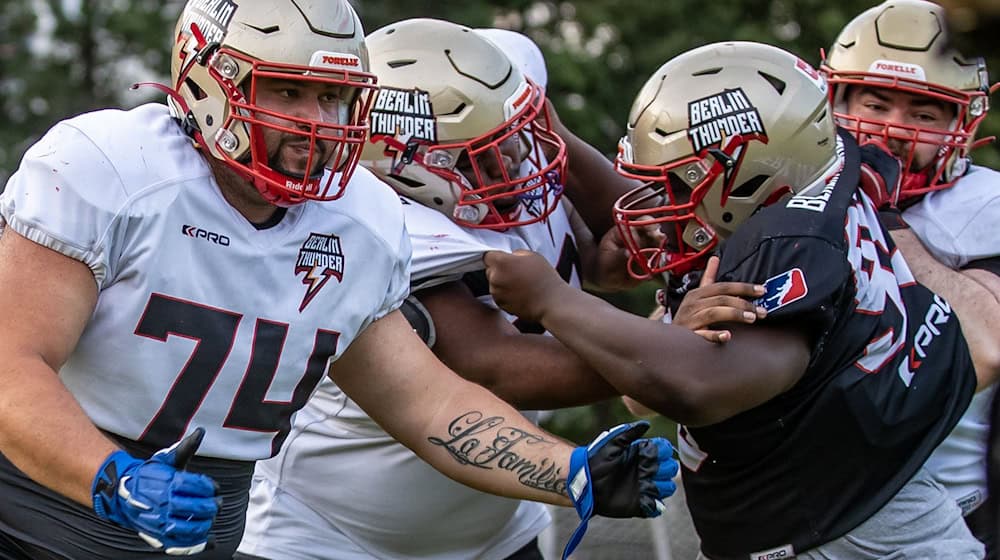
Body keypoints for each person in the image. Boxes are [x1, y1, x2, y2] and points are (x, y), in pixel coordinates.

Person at [0, 2, 681, 559]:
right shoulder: (113, 169)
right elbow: (9, 367)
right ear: (211, 81)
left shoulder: (361, 218)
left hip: (202, 525)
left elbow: (429, 405)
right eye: (288, 91)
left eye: (333, 97)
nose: (316, 124)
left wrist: (569, 473)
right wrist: (109, 476)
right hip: (34, 511)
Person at [237, 19, 757, 560]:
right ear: (409, 166)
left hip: (495, 533)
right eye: (489, 152)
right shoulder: (374, 227)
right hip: (328, 538)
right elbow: (496, 364)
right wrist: (664, 346)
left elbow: (609, 229)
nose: (517, 158)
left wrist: (602, 237)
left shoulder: (502, 127)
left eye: (521, 131)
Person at [482, 40, 985, 559]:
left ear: (751, 178)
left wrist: (553, 303)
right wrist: (556, 138)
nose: (661, 204)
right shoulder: (821, 168)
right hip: (839, 503)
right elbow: (663, 217)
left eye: (678, 182)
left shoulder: (791, 244)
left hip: (852, 533)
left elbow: (703, 385)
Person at [822, 0, 1000, 554]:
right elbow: (649, 388)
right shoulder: (787, 193)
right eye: (875, 104)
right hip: (809, 512)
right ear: (835, 101)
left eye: (923, 115)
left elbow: (986, 345)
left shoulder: (985, 203)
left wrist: (882, 217)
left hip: (954, 515)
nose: (892, 132)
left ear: (960, 124)